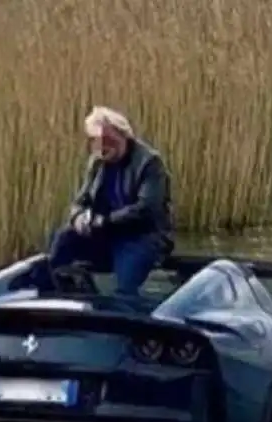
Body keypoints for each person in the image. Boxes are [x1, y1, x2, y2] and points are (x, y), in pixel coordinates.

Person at [34, 106, 173, 296]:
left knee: (126, 287)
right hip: (104, 233)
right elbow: (80, 201)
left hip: (142, 236)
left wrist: (104, 221)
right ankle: (54, 292)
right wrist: (78, 218)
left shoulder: (149, 163)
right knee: (63, 238)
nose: (102, 147)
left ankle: (124, 310)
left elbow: (146, 210)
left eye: (108, 140)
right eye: (96, 141)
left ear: (124, 136)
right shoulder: (97, 162)